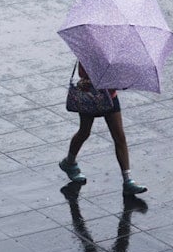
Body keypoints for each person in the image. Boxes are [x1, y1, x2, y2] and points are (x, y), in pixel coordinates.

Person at [59, 61, 147, 196]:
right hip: (90, 97)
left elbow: (120, 78)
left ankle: (127, 180)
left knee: (119, 137)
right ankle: (69, 162)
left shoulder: (115, 54)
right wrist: (83, 82)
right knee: (84, 132)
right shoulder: (88, 50)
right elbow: (82, 75)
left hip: (110, 97)